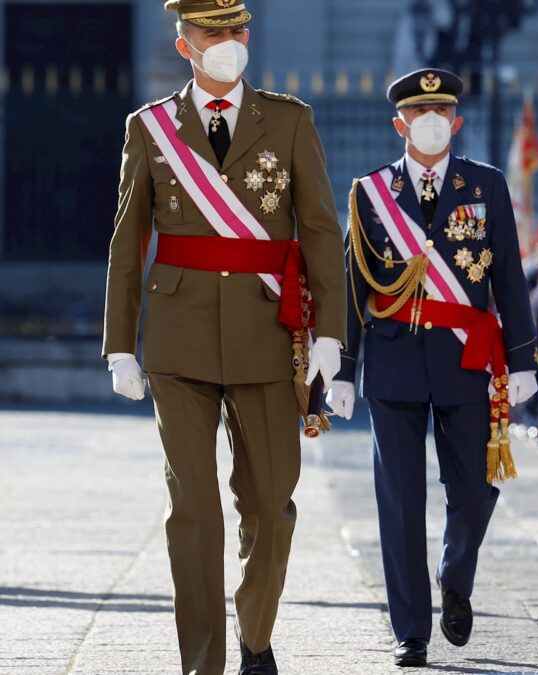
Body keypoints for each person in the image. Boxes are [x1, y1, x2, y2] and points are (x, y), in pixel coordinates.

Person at [102, 2, 346, 673]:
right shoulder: (150, 128)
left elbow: (322, 230)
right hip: (178, 339)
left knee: (271, 506)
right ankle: (204, 660)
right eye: (214, 33)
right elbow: (129, 242)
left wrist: (330, 334)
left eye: (238, 30)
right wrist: (120, 343)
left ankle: (255, 633)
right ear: (184, 44)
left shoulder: (289, 120)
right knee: (194, 511)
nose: (229, 43)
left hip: (268, 334)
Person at [327, 68, 538, 668]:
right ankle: (410, 630)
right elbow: (351, 287)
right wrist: (343, 368)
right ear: (399, 125)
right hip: (393, 361)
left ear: (456, 121)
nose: (430, 122)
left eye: (441, 112)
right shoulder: (369, 194)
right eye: (419, 114)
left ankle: (455, 574)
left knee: (474, 489)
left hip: (465, 360)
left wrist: (522, 357)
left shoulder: (486, 186)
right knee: (399, 501)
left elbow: (510, 279)